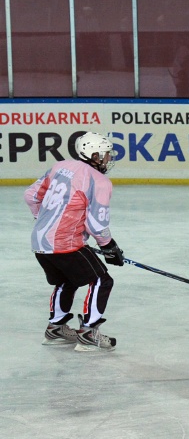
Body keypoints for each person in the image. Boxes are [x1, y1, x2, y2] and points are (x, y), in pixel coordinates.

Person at [24, 132, 124, 352]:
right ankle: (89, 332)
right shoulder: (99, 181)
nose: (108, 159)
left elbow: (31, 195)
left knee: (67, 280)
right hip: (64, 244)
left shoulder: (59, 166)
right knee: (102, 281)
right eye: (106, 154)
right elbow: (96, 224)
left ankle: (56, 329)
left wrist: (44, 220)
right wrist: (109, 246)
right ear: (94, 154)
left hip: (40, 242)